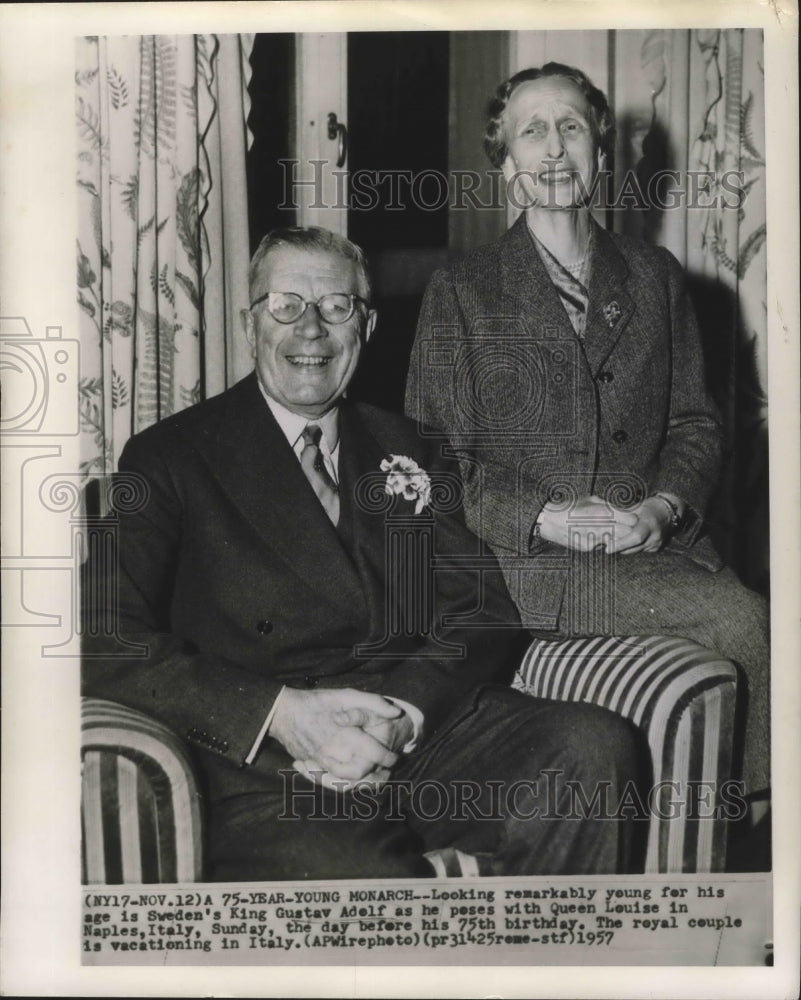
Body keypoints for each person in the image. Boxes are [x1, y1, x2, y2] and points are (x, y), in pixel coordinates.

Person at [83, 225, 643, 881]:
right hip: (267, 761)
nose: (311, 329)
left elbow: (477, 608)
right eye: (285, 304)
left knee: (592, 749)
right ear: (249, 322)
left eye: (336, 306)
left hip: (412, 731)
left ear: (367, 325)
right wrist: (284, 716)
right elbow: (104, 637)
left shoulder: (408, 444)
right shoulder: (169, 456)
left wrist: (404, 715)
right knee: (354, 868)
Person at [405, 64, 770, 848]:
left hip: (649, 553)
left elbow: (696, 425)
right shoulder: (462, 289)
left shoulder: (654, 277)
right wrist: (546, 517)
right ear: (504, 165)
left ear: (601, 153)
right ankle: (756, 845)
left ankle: (754, 843)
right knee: (745, 621)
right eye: (530, 131)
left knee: (753, 622)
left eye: (570, 126)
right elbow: (432, 461)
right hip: (527, 571)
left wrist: (661, 508)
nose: (553, 148)